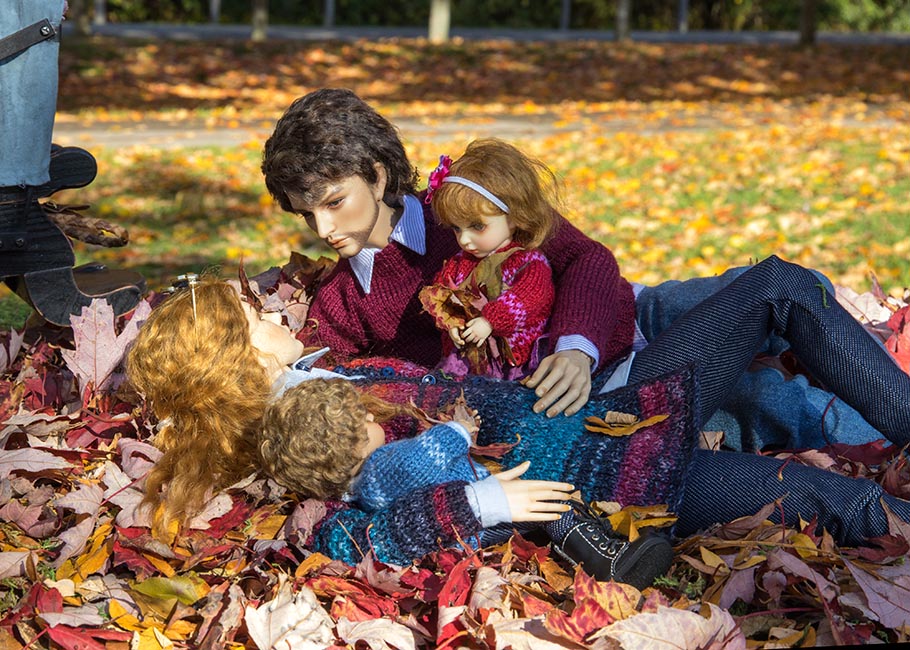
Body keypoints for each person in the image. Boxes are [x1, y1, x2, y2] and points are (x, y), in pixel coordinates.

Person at [126, 276, 910, 572]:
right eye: (253, 319)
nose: (271, 315)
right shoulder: (294, 432)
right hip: (611, 475)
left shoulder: (321, 378)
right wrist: (484, 503)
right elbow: (353, 538)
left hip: (617, 431)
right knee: (778, 291)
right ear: (235, 360)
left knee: (838, 497)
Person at [262, 88, 631, 419]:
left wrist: (576, 349)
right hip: (557, 408)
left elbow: (587, 256)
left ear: (377, 178)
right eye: (307, 214)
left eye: (334, 202)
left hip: (624, 329)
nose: (323, 229)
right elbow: (316, 379)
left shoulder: (463, 207)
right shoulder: (341, 300)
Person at [259, 378, 675, 588]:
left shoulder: (360, 480)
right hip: (470, 526)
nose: (372, 416)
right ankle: (608, 560)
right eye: (360, 422)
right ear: (343, 447)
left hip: (480, 504)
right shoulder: (375, 473)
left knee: (547, 505)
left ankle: (598, 547)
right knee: (551, 510)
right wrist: (463, 452)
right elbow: (421, 463)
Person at [418, 138, 558, 379]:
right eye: (457, 229)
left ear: (514, 217)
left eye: (477, 226)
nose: (465, 240)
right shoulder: (460, 264)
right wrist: (451, 323)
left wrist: (490, 321)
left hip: (514, 362)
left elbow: (528, 299)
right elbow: (441, 293)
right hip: (467, 359)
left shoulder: (528, 262)